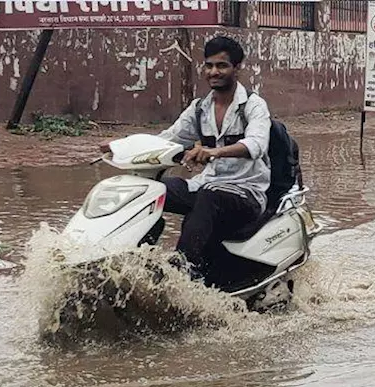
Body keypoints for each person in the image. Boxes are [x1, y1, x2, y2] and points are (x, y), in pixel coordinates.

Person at [103, 36, 271, 282]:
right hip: (207, 184)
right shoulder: (200, 108)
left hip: (246, 192)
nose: (214, 72)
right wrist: (120, 146)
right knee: (152, 189)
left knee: (209, 195)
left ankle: (182, 273)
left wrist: (214, 152)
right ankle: (132, 262)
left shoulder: (253, 106)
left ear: (237, 68)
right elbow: (169, 139)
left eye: (222, 66)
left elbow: (256, 144)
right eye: (209, 65)